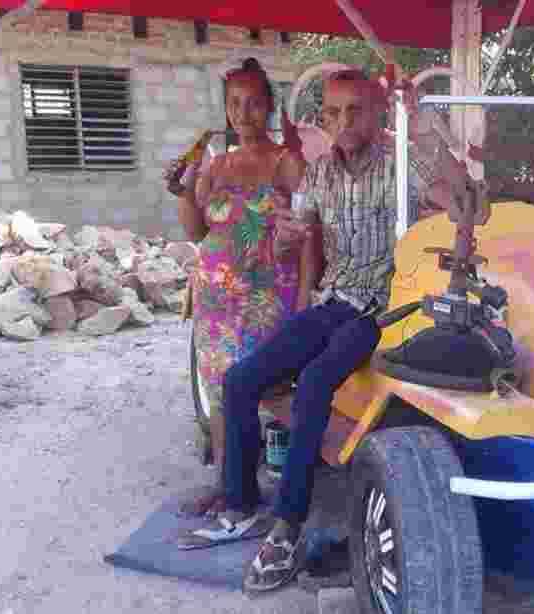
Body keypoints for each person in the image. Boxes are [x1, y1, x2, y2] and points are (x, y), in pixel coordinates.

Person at [214, 68, 484, 592]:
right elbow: (295, 231)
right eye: (333, 113)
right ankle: (244, 503)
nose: (342, 122)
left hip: (383, 310)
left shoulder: (399, 167)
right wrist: (288, 234)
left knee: (315, 382)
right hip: (334, 299)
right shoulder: (319, 174)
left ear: (378, 113)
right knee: (240, 381)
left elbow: (467, 201)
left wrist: (424, 123)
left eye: (354, 110)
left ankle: (288, 527)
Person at [164, 58, 317, 528]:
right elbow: (196, 230)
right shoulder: (215, 164)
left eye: (253, 102)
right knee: (217, 390)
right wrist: (183, 192)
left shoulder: (286, 162)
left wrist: (307, 296)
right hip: (215, 298)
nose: (243, 112)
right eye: (234, 103)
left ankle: (286, 483)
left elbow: (311, 232)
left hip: (270, 295)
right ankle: (228, 484)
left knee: (265, 388)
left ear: (269, 106)